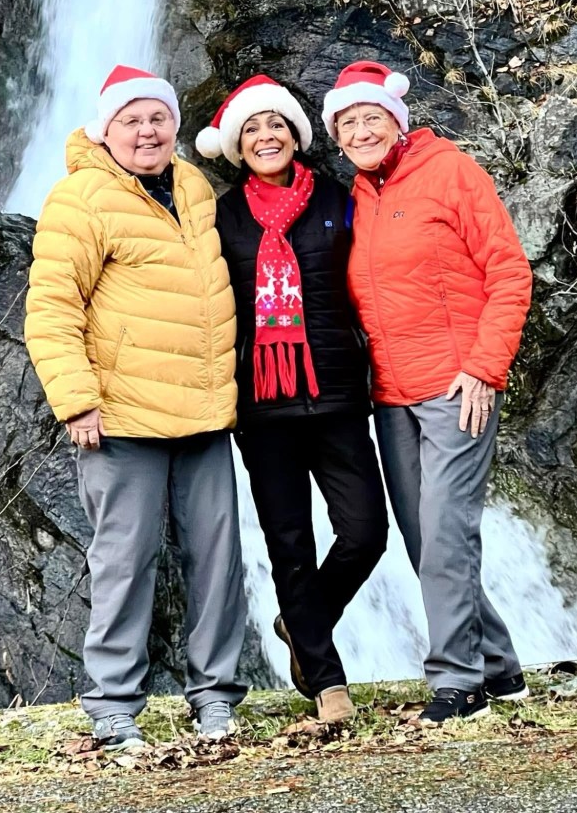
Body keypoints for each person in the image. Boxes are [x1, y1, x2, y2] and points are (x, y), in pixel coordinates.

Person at [25, 64, 247, 749]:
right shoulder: (80, 198)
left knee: (218, 560)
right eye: (132, 120)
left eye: (158, 117)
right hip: (121, 417)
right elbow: (52, 308)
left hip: (204, 412)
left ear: (175, 124)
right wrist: (76, 402)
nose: (147, 131)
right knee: (124, 561)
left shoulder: (194, 185)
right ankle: (114, 704)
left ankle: (216, 697)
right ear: (106, 130)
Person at [322, 60, 534, 724]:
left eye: (372, 118)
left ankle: (458, 683)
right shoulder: (357, 197)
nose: (361, 131)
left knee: (445, 532)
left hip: (457, 387)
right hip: (391, 395)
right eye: (348, 124)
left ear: (397, 121)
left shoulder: (450, 172)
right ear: (336, 137)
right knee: (426, 542)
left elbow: (510, 272)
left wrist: (485, 367)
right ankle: (499, 666)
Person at [196, 75, 388, 724]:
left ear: (296, 134)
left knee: (365, 531)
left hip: (337, 394)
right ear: (236, 145)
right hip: (262, 406)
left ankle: (302, 622)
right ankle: (328, 682)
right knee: (290, 543)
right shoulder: (222, 216)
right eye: (251, 129)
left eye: (275, 124)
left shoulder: (337, 198)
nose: (265, 136)